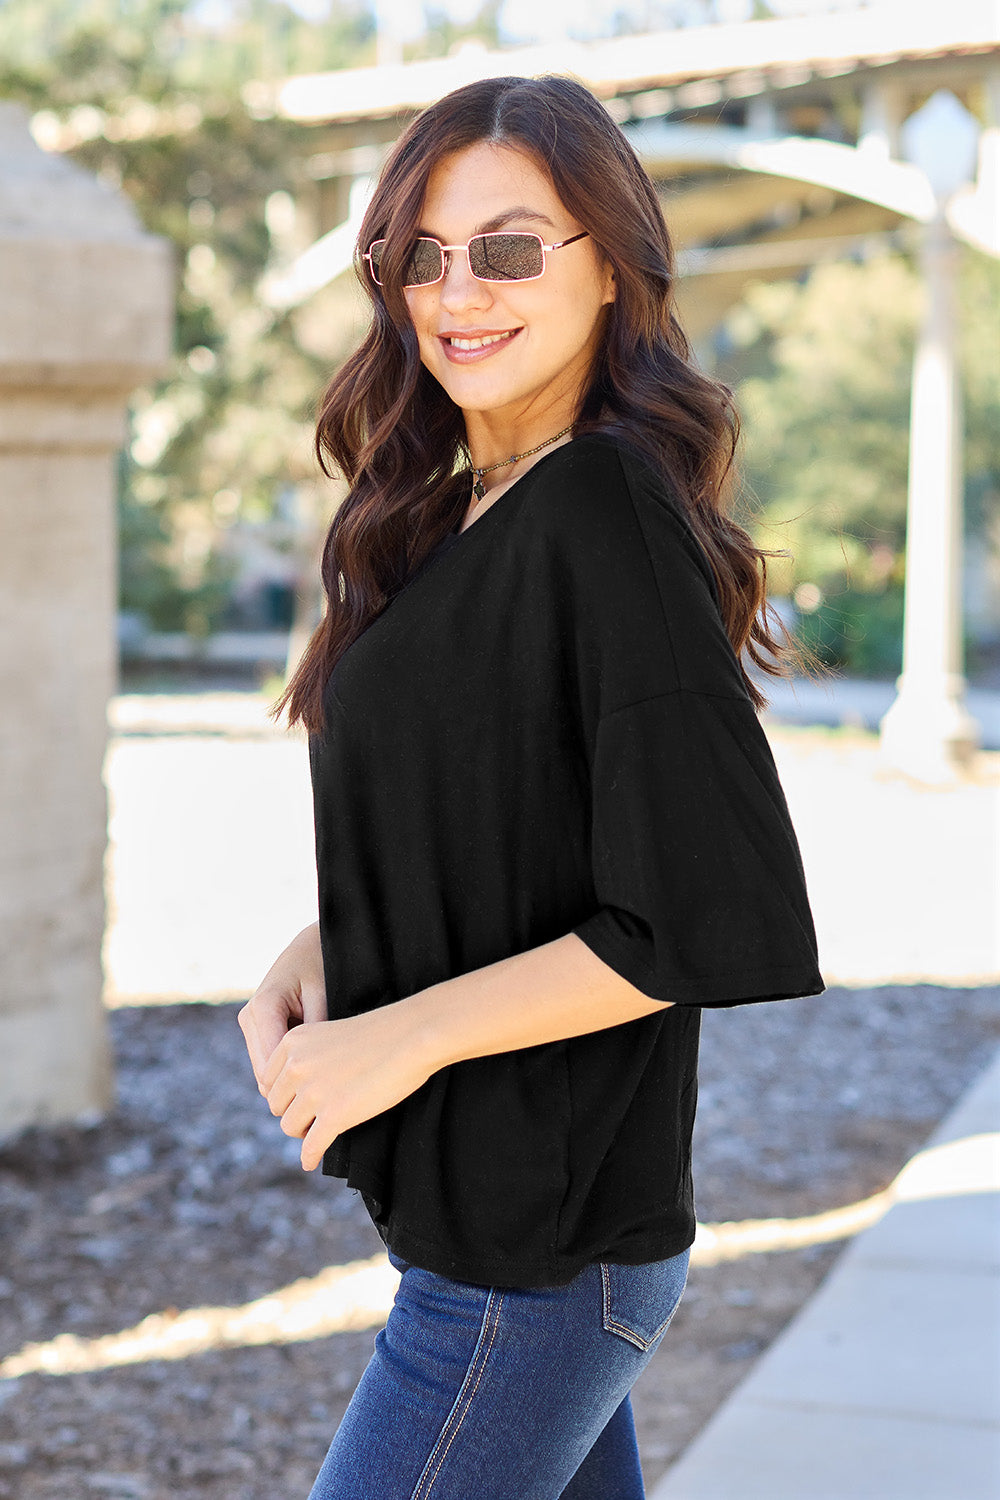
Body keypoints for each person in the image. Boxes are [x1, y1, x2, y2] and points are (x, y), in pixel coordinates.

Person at [237, 73, 825, 1500]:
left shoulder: (604, 507)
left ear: (612, 267)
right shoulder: (440, 513)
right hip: (492, 1247)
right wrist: (331, 953)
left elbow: (703, 909)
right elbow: (501, 824)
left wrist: (401, 1041)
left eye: (509, 248)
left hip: (536, 1269)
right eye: (420, 255)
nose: (458, 292)